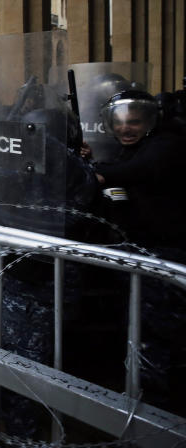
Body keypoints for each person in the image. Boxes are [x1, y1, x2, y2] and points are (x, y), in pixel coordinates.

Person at [93, 90, 186, 409]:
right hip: (142, 252)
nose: (125, 129)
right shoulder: (129, 151)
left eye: (134, 122)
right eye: (118, 123)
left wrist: (98, 173)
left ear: (150, 121)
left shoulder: (168, 143)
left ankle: (156, 413)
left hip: (164, 256)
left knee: (156, 336)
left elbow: (143, 169)